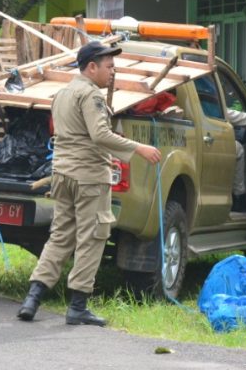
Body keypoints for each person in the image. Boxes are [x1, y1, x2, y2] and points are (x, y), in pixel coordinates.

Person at [17, 41, 162, 326]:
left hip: (63, 175)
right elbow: (99, 134)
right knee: (92, 238)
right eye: (108, 66)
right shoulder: (91, 95)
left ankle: (32, 298)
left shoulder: (62, 93)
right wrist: (138, 149)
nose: (112, 72)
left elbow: (71, 135)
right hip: (89, 180)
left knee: (60, 236)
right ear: (91, 67)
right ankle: (78, 306)